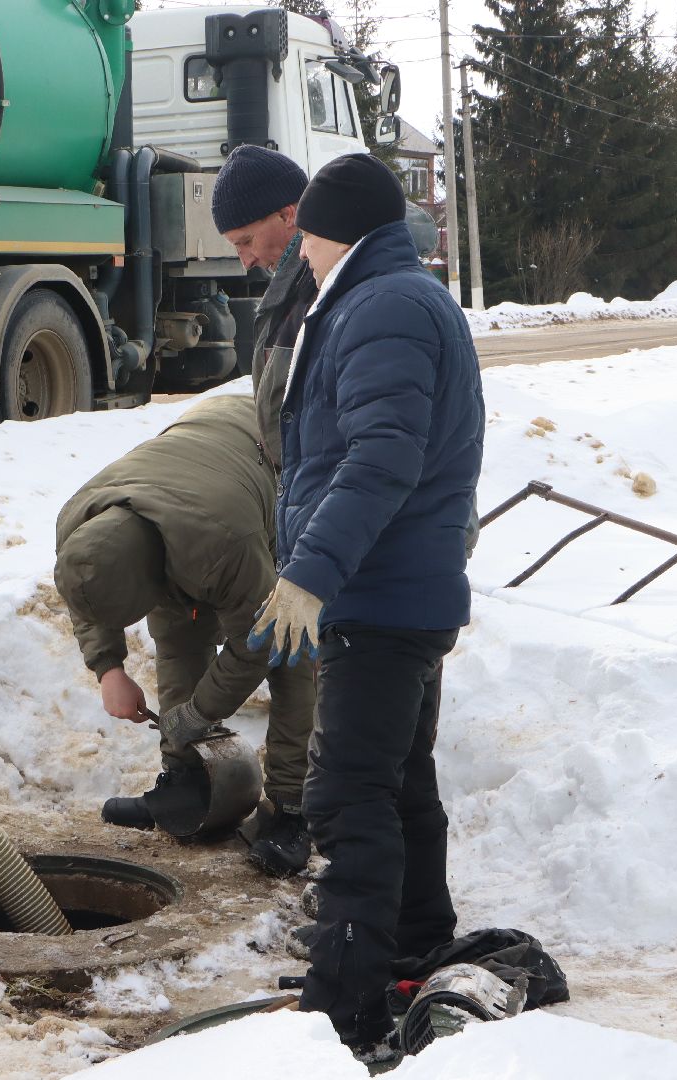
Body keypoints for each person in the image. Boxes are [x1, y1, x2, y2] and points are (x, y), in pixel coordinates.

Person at [249, 154, 485, 1062]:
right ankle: (417, 945)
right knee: (401, 783)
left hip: (379, 595)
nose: (298, 252)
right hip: (399, 588)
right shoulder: (388, 294)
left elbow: (381, 457)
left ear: (333, 231)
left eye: (305, 235)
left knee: (348, 795)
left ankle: (345, 1004)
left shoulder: (382, 304)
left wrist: (311, 572)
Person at [54, 394, 316, 876]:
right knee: (177, 628)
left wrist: (199, 713)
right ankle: (189, 780)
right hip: (194, 465)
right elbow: (86, 599)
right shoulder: (81, 522)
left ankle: (291, 809)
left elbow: (257, 644)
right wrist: (108, 669)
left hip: (277, 457)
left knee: (292, 641)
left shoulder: (225, 545)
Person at [211, 144, 320, 474]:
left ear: (287, 215)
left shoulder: (323, 291)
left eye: (246, 241)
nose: (246, 262)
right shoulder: (295, 290)